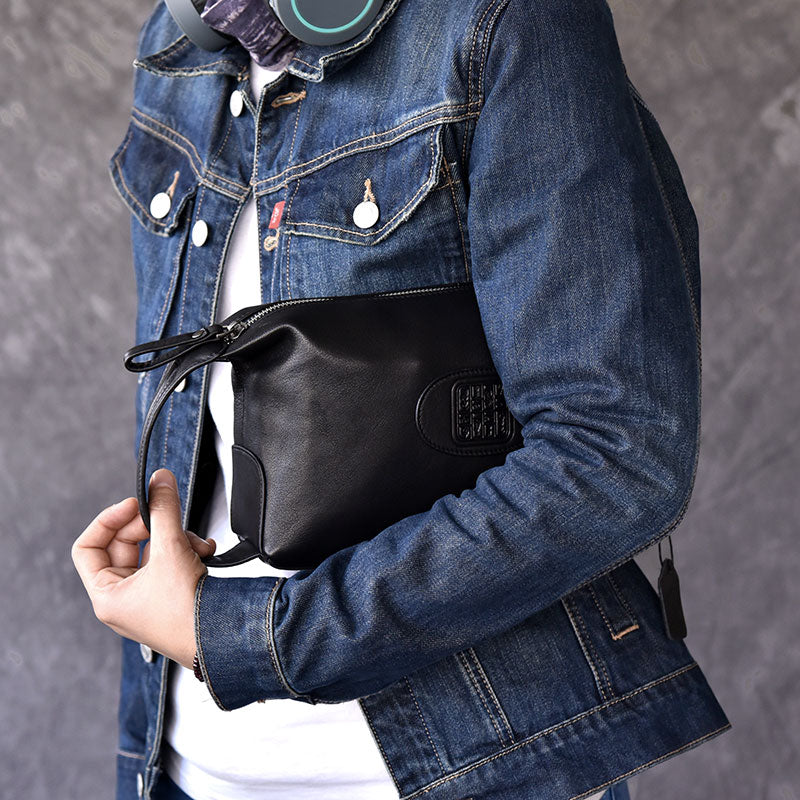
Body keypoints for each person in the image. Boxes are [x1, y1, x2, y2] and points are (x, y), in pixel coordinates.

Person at [71, 1, 731, 798]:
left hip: (465, 771)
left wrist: (247, 638)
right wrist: (167, 594)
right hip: (184, 764)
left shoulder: (509, 22)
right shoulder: (181, 41)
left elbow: (616, 454)